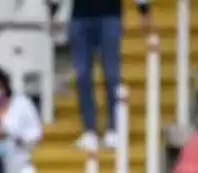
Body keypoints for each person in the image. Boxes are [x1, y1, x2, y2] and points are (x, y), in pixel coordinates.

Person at [65, 0, 152, 151]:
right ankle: (89, 130)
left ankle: (113, 129)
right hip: (80, 16)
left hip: (110, 14)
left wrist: (142, 8)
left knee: (112, 74)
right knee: (82, 75)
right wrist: (53, 8)